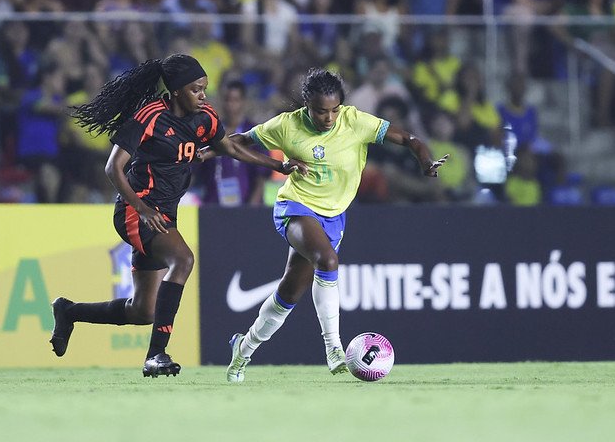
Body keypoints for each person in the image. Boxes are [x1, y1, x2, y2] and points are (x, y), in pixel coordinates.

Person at [49, 54, 306, 377]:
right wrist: (142, 210)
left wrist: (279, 166)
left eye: (204, 89)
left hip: (165, 215)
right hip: (135, 211)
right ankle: (156, 354)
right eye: (196, 89)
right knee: (183, 260)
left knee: (143, 311)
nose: (203, 95)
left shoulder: (205, 118)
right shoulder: (150, 116)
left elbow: (231, 148)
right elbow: (112, 167)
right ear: (175, 91)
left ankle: (68, 311)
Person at [212, 68, 448, 382]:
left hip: (333, 217)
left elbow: (408, 138)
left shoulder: (355, 122)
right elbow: (242, 140)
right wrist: (209, 150)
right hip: (294, 207)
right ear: (306, 105)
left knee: (289, 294)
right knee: (328, 260)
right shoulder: (287, 125)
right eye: (321, 111)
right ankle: (334, 347)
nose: (329, 117)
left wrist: (424, 160)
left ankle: (243, 349)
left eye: (334, 110)